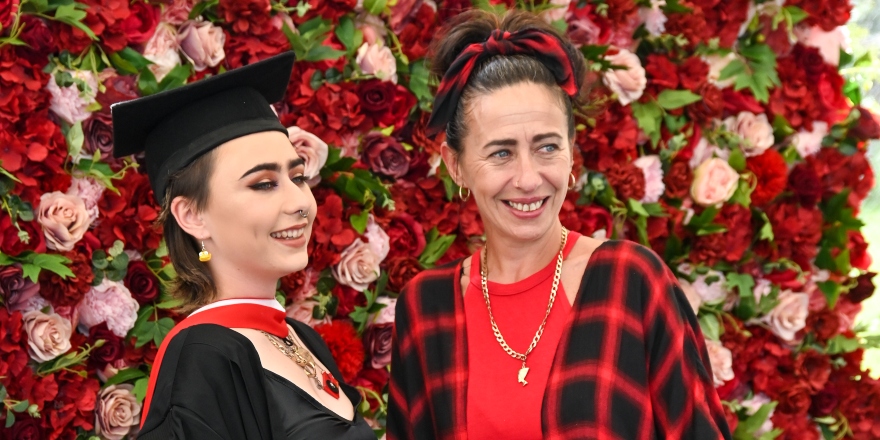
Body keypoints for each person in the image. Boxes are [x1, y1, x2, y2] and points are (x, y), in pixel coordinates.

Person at [387, 10, 732, 440]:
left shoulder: (630, 280)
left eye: (547, 147)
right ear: (456, 165)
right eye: (501, 153)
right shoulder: (426, 306)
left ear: (571, 150)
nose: (528, 178)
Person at [111, 52, 374, 439]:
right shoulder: (204, 354)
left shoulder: (303, 338)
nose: (300, 202)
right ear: (192, 215)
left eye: (298, 177)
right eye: (263, 184)